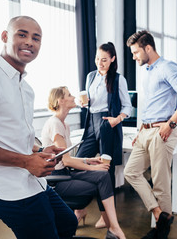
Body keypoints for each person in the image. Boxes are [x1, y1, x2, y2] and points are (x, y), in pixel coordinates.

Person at [0, 16, 77, 239]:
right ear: (5, 37)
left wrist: (40, 153)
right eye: (22, 34)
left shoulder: (26, 88)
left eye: (36, 38)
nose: (30, 42)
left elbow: (15, 137)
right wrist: (25, 162)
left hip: (33, 183)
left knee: (68, 223)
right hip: (5, 191)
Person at [124, 30, 177, 239]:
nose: (134, 56)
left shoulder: (167, 67)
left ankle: (161, 232)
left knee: (160, 182)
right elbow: (151, 103)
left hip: (161, 132)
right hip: (146, 131)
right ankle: (159, 213)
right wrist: (141, 129)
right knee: (131, 172)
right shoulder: (147, 71)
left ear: (148, 48)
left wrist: (171, 124)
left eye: (136, 52)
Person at [40, 86, 126, 239]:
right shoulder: (55, 124)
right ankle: (113, 228)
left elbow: (65, 157)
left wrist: (89, 160)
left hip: (64, 174)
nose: (74, 97)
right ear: (60, 101)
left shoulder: (64, 124)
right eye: (69, 95)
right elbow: (66, 161)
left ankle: (113, 228)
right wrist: (94, 168)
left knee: (103, 175)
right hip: (57, 180)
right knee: (100, 179)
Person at [76, 42, 132, 229]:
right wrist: (83, 103)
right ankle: (80, 208)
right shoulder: (90, 76)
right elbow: (90, 101)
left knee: (105, 170)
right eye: (98, 59)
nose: (100, 63)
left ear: (113, 59)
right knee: (80, 162)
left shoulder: (118, 79)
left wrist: (117, 119)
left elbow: (128, 107)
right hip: (90, 122)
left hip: (108, 123)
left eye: (104, 60)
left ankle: (106, 216)